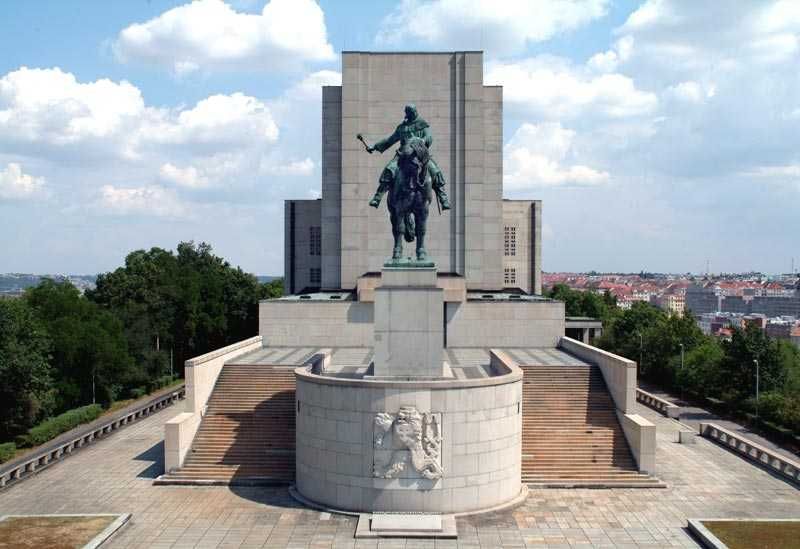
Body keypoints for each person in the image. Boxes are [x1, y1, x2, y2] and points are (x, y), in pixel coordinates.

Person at [364, 104, 451, 210]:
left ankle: (443, 198)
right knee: (389, 168)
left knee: (434, 170)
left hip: (420, 153)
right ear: (407, 114)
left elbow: (429, 137)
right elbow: (390, 140)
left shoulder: (422, 125)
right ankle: (377, 197)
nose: (413, 114)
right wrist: (374, 147)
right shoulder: (402, 127)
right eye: (410, 112)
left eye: (414, 112)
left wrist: (423, 140)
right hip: (403, 154)